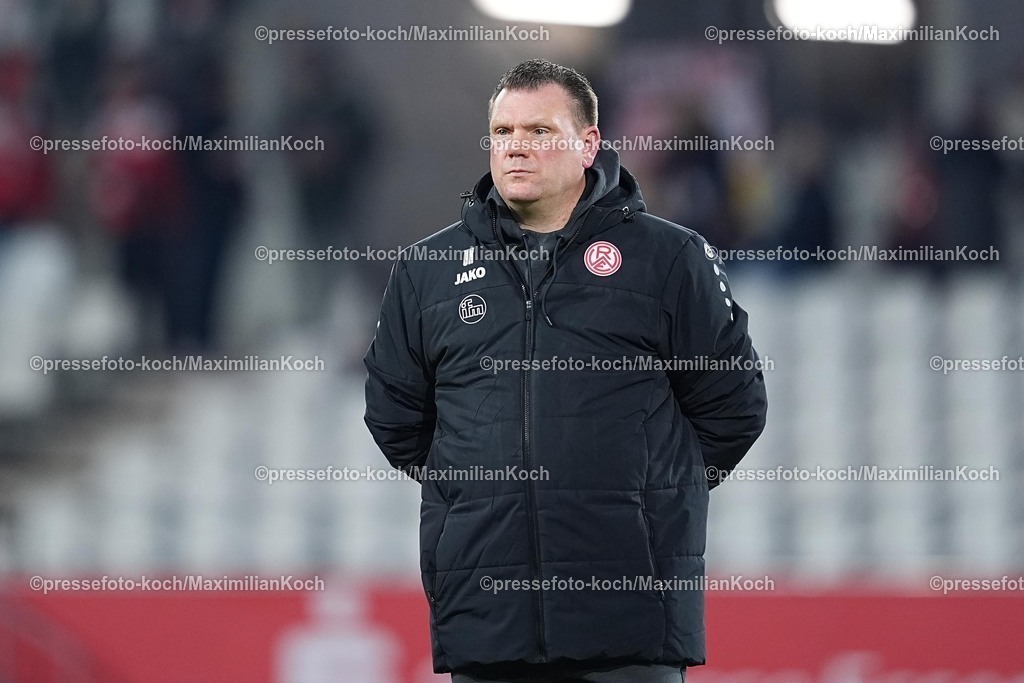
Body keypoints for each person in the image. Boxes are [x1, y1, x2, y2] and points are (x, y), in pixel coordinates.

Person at [364, 59, 767, 682]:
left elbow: (733, 406)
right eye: (503, 133)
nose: (516, 148)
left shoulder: (669, 257)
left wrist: (649, 490)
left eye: (539, 132)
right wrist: (472, 491)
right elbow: (396, 419)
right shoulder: (427, 270)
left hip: (632, 624)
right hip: (489, 625)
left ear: (588, 145)